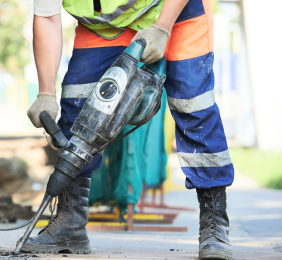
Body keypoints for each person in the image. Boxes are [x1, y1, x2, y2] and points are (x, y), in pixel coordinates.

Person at [23, 0, 233, 259]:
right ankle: (69, 224)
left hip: (175, 13)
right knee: (77, 108)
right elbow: (47, 17)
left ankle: (214, 225)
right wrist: (45, 91)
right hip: (104, 26)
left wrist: (163, 28)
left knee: (193, 106)